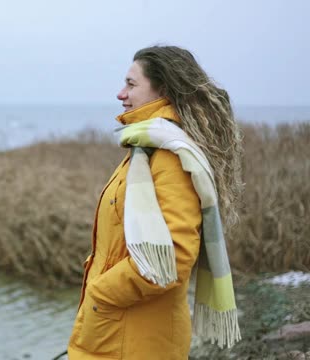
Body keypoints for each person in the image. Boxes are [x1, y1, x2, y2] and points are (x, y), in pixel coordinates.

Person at [65, 45, 243, 359]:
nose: (121, 94)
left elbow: (172, 260)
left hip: (137, 340)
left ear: (162, 89)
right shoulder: (144, 151)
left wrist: (101, 293)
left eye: (131, 84)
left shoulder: (170, 158)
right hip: (117, 332)